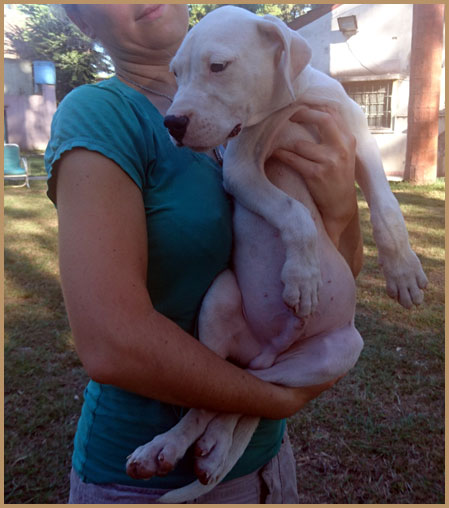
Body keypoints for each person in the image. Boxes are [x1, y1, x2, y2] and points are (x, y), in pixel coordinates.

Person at [45, 4, 363, 504]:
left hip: (266, 464)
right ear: (83, 23)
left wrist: (343, 210)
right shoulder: (100, 114)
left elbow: (335, 282)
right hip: (135, 483)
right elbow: (110, 343)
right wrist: (274, 397)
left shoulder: (249, 102)